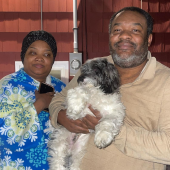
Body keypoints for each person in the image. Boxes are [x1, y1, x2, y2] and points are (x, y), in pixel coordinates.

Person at [49, 6, 170, 170]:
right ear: (110, 36)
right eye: (117, 29)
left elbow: (167, 149)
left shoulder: (166, 81)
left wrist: (110, 129)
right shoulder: (92, 67)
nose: (124, 35)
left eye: (135, 30)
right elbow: (58, 100)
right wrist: (60, 116)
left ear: (149, 38)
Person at [0, 30, 66, 170]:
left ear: (53, 61)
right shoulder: (7, 86)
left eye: (47, 54)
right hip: (18, 164)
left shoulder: (61, 88)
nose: (39, 58)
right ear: (23, 56)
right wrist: (39, 105)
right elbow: (4, 134)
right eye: (33, 53)